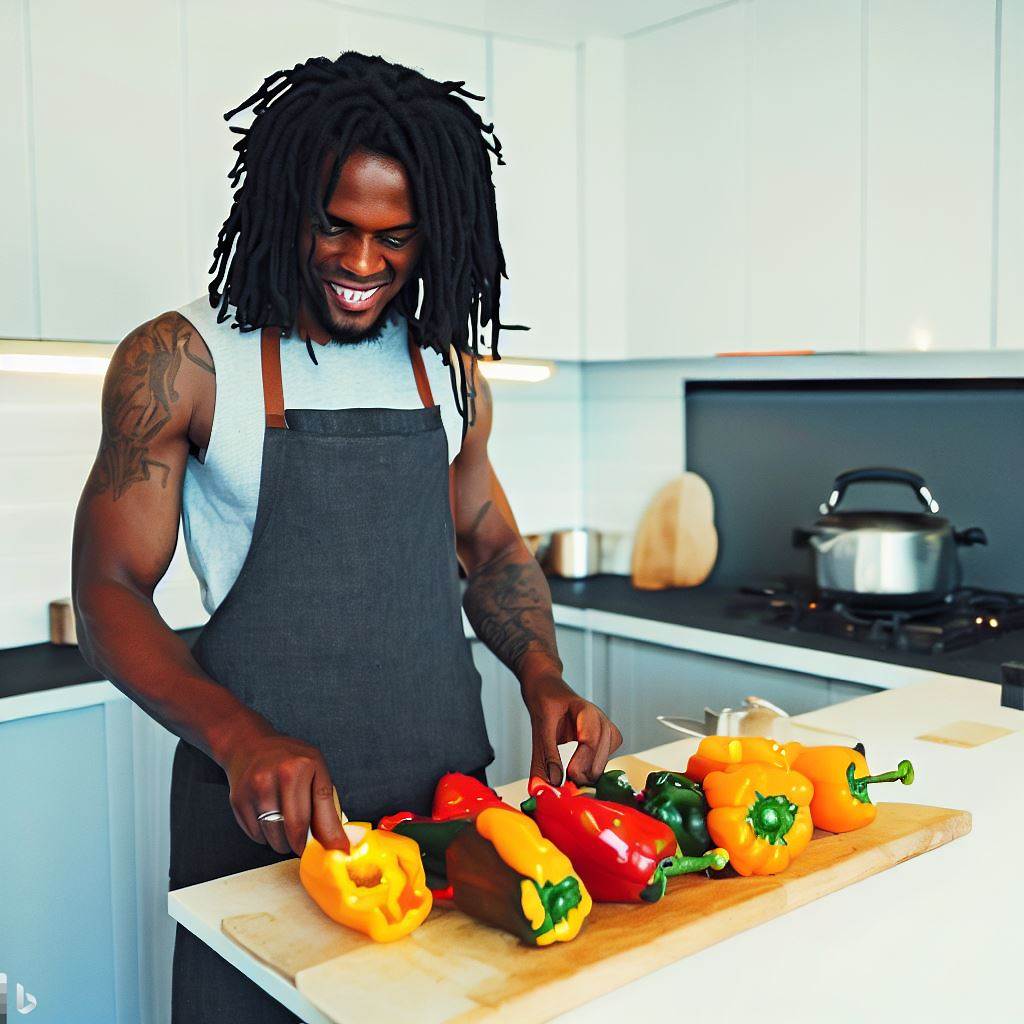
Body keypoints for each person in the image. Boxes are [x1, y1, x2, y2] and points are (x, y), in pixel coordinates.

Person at [71, 51, 622, 1021]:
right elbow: (108, 588)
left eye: (395, 239)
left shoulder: (443, 371)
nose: (364, 265)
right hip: (258, 818)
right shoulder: (186, 361)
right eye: (337, 226)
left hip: (447, 806)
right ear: (287, 203)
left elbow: (490, 550)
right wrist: (240, 737)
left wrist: (544, 678)